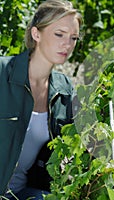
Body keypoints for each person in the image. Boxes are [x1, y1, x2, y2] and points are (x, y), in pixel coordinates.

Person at [0, 0, 83, 199]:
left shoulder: (64, 88)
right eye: (59, 34)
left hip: (23, 192)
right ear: (36, 34)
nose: (67, 44)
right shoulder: (3, 72)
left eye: (73, 38)